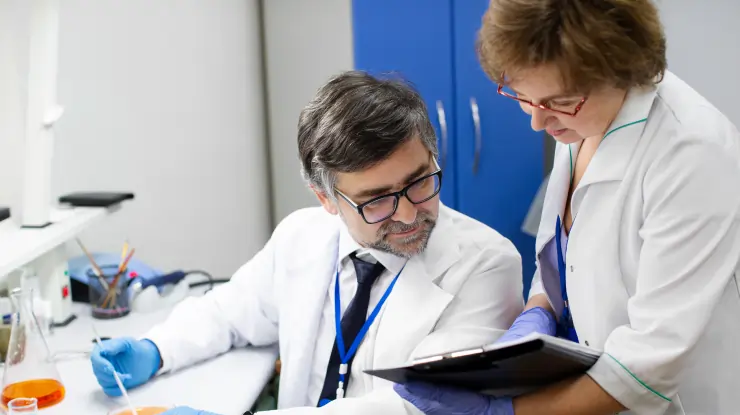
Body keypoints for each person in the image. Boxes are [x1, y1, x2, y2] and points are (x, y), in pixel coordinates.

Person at [89, 71, 525, 414]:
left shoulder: (486, 264)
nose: (410, 214)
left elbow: (419, 408)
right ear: (327, 199)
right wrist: (156, 349)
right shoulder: (303, 235)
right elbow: (232, 312)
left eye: (419, 182)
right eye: (376, 201)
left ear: (432, 157)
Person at [395, 0, 740, 414]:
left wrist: (504, 414)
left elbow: (650, 363)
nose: (537, 123)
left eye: (559, 101)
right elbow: (564, 254)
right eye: (521, 95)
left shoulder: (692, 154)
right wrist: (538, 311)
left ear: (622, 69)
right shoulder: (581, 119)